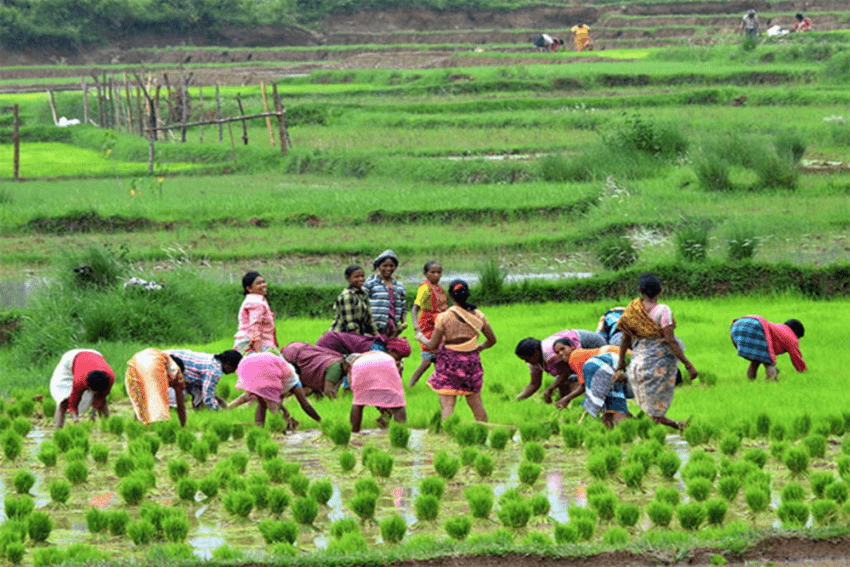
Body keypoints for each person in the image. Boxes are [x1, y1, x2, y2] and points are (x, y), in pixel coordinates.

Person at [614, 273, 698, 431]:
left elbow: (624, 339)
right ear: (661, 290)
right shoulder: (663, 311)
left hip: (637, 365)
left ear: (640, 290)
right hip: (657, 365)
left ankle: (667, 426)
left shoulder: (632, 310)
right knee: (655, 408)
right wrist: (688, 365)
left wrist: (621, 363)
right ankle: (675, 426)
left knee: (650, 406)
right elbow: (670, 340)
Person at [416, 280, 496, 422]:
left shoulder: (444, 317)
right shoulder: (479, 315)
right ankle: (484, 434)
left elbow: (433, 345)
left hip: (449, 363)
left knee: (447, 405)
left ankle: (448, 437)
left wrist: (421, 337)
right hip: (471, 363)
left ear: (450, 296)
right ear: (468, 294)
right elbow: (492, 340)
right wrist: (479, 348)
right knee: (476, 404)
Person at [514, 329, 606, 402]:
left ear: (536, 353)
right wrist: (516, 400)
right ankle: (566, 404)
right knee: (562, 383)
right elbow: (534, 383)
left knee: (579, 378)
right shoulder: (534, 362)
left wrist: (551, 388)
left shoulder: (550, 352)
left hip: (590, 343)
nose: (527, 362)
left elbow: (565, 373)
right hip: (574, 352)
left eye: (527, 359)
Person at [234, 352, 321, 429]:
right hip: (264, 368)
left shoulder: (282, 378)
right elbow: (305, 405)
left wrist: (285, 412)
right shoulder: (294, 381)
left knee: (262, 404)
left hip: (248, 365)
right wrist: (320, 421)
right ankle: (280, 431)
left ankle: (259, 429)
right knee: (273, 409)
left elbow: (273, 400)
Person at [348, 338, 412, 432]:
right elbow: (388, 388)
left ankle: (354, 432)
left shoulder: (359, 357)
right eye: (399, 357)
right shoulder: (390, 359)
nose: (399, 359)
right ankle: (401, 432)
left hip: (360, 365)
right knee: (398, 404)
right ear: (390, 351)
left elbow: (352, 381)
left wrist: (355, 392)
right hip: (385, 364)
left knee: (358, 403)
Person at [49, 349, 115, 428]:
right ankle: (58, 430)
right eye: (93, 391)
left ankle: (108, 427)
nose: (94, 394)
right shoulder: (79, 380)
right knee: (63, 401)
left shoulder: (110, 378)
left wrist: (93, 412)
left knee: (102, 402)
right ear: (87, 386)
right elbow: (73, 404)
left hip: (94, 355)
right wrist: (75, 419)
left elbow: (101, 397)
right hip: (71, 359)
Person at [549, 339, 621, 409]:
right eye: (558, 352)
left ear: (572, 347)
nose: (561, 353)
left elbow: (584, 386)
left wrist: (566, 399)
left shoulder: (574, 357)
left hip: (616, 358)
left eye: (563, 349)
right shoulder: (578, 355)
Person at [409, 261, 448, 388]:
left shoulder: (439, 288)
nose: (436, 275)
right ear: (425, 274)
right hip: (428, 326)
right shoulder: (425, 288)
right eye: (432, 272)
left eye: (438, 272)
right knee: (426, 360)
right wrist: (417, 329)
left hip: (439, 325)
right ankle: (410, 386)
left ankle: (439, 385)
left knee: (440, 359)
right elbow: (414, 309)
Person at [730, 316, 806, 380]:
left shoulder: (780, 329)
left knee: (755, 360)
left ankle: (751, 382)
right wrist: (803, 369)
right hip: (756, 326)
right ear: (797, 333)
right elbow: (796, 357)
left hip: (738, 324)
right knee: (768, 362)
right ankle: (772, 381)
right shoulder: (792, 337)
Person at [125, 348, 187, 426]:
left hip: (133, 366)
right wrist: (183, 426)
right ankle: (154, 428)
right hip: (149, 366)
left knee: (141, 399)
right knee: (159, 411)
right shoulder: (176, 372)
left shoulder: (162, 359)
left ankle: (138, 426)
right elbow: (181, 405)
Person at [164, 348, 241, 410]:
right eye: (235, 368)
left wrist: (216, 398)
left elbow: (204, 389)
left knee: (198, 395)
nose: (233, 372)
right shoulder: (214, 370)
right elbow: (208, 397)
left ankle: (197, 412)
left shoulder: (214, 361)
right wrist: (219, 410)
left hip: (180, 370)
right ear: (228, 364)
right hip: (167, 362)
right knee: (173, 401)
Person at [233, 271, 280, 356]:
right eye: (258, 283)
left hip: (257, 343)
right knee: (285, 368)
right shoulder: (256, 303)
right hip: (255, 345)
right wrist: (259, 355)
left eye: (263, 282)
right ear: (249, 288)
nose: (263, 285)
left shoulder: (257, 300)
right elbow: (254, 328)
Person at [364, 250, 407, 337]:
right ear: (378, 267)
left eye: (391, 266)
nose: (388, 269)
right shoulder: (370, 283)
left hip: (392, 328)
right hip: (373, 328)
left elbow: (403, 307)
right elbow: (361, 304)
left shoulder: (399, 287)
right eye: (385, 266)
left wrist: (403, 324)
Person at [281, 342, 346, 399]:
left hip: (297, 351)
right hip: (295, 353)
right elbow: (328, 391)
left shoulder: (337, 365)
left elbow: (329, 391)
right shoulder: (336, 367)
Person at [329, 265, 379, 336]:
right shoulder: (347, 296)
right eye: (356, 277)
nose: (360, 279)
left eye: (362, 276)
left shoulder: (364, 293)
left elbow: (369, 319)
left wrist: (377, 335)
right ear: (348, 278)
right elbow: (350, 324)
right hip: (341, 335)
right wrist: (359, 341)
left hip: (357, 335)